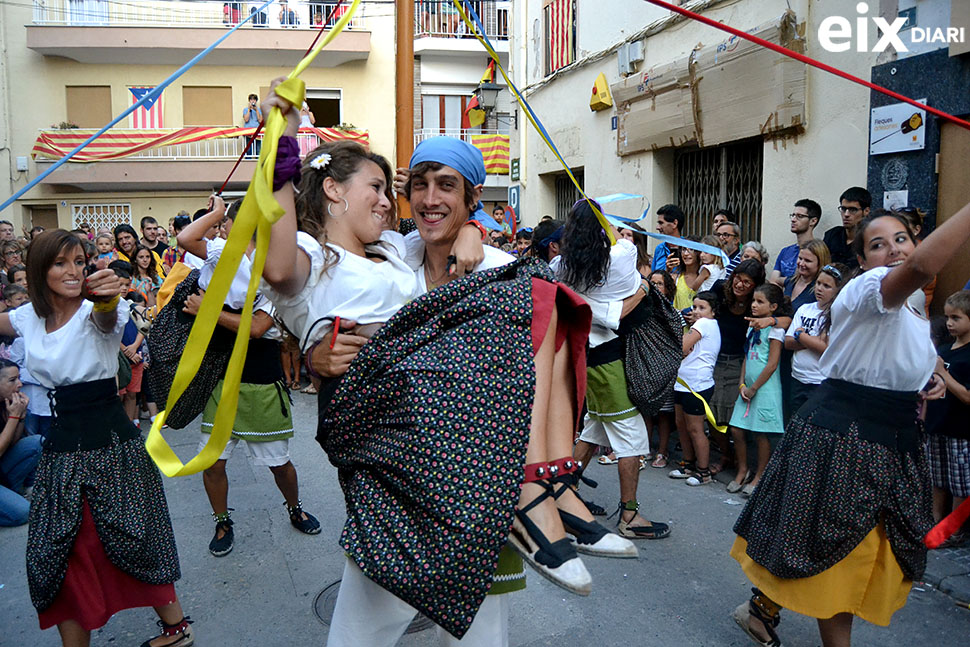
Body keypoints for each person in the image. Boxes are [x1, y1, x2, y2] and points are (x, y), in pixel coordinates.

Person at [262, 81, 632, 640]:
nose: (424, 199)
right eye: (416, 186)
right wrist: (314, 350)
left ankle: (545, 487)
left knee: (546, 296)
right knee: (379, 589)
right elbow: (297, 281)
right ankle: (534, 496)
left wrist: (476, 237)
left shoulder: (485, 264)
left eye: (447, 187)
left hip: (475, 455)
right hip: (405, 439)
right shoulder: (396, 251)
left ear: (472, 198)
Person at [730, 201, 970, 647]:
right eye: (878, 245)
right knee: (841, 553)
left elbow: (901, 352)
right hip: (845, 435)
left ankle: (761, 610)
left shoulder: (916, 309)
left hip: (893, 440)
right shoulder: (867, 287)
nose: (894, 251)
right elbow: (918, 268)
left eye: (902, 239)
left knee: (826, 542)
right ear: (861, 260)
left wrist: (930, 374)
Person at [3, 230, 191, 647]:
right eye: (59, 263)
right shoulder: (28, 317)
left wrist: (107, 297)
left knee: (132, 536)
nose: (73, 271)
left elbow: (106, 318)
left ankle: (177, 629)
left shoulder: (100, 310)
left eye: (78, 261)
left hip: (111, 446)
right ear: (39, 269)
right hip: (61, 448)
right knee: (57, 554)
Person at [554, 200, 671, 541]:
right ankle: (630, 516)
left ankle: (562, 496)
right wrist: (645, 287)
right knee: (633, 441)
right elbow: (627, 256)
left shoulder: (561, 265)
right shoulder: (620, 256)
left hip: (584, 357)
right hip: (609, 359)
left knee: (593, 432)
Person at [726, 283, 790, 496]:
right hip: (748, 387)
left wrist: (754, 387)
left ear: (773, 307)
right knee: (736, 428)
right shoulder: (751, 326)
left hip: (764, 389)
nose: (753, 305)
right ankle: (743, 469)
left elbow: (772, 364)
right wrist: (742, 383)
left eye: (760, 302)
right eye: (753, 300)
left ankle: (760, 475)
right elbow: (747, 356)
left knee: (761, 434)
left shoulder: (775, 330)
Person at [924, 290, 970, 545]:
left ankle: (955, 528)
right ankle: (935, 521)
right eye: (948, 317)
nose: (949, 323)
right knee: (938, 478)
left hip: (960, 429)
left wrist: (943, 372)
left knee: (960, 481)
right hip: (938, 424)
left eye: (956, 318)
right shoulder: (944, 349)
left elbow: (966, 396)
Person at [784, 263, 848, 413]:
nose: (820, 288)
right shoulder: (805, 309)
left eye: (827, 286)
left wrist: (801, 335)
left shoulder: (837, 315)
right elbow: (788, 343)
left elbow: (827, 349)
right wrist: (815, 340)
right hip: (798, 379)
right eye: (819, 283)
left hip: (820, 381)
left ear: (839, 290)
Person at [673, 291, 721, 487]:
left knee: (695, 429)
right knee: (682, 425)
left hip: (696, 384)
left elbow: (681, 347)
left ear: (713, 312)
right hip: (683, 382)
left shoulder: (704, 324)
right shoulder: (698, 326)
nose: (697, 312)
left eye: (702, 308)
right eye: (694, 307)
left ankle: (703, 471)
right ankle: (688, 464)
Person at [0, 358, 41, 527]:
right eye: (12, 380)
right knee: (23, 513)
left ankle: (13, 492)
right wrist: (14, 417)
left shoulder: (5, 403)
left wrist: (21, 417)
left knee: (37, 442)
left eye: (18, 378)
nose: (19, 384)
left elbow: (12, 444)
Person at [646, 269, 677, 469]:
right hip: (645, 366)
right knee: (646, 411)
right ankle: (644, 448)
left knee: (664, 414)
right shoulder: (642, 308)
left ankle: (663, 451)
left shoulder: (672, 312)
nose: (655, 287)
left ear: (667, 289)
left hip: (666, 368)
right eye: (653, 283)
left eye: (660, 284)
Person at [770, 199, 821, 285]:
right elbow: (773, 281)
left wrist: (782, 280)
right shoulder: (785, 251)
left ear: (813, 221)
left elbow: (807, 282)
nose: (793, 219)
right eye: (793, 215)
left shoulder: (819, 251)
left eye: (799, 216)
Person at [823, 186, 870, 269]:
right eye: (843, 209)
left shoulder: (869, 240)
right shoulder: (832, 235)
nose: (846, 214)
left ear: (866, 211)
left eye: (853, 210)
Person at [783, 239, 830, 313]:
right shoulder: (790, 281)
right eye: (800, 258)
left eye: (807, 261)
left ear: (820, 263)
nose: (801, 263)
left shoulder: (820, 290)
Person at [652, 204, 684, 272]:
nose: (657, 227)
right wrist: (667, 270)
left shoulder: (689, 248)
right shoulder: (659, 249)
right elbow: (653, 277)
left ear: (675, 224)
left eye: (661, 223)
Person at [242, 93, 263, 158]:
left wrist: (256, 110)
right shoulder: (245, 109)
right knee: (248, 150)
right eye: (251, 99)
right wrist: (249, 110)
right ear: (249, 101)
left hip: (257, 132)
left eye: (254, 99)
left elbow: (260, 120)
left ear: (256, 101)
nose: (253, 101)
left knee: (258, 150)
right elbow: (246, 120)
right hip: (248, 132)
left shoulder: (259, 110)